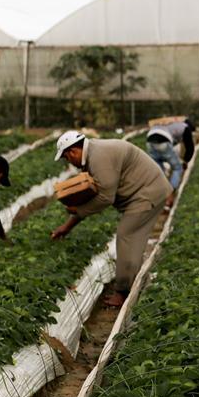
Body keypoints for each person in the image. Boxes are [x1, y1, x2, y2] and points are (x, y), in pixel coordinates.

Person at [50, 130, 172, 307]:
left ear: (73, 152)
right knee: (132, 239)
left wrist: (78, 208)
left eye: (67, 158)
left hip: (147, 193)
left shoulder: (99, 158)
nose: (69, 163)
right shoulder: (92, 154)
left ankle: (122, 293)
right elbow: (91, 195)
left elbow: (106, 198)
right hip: (143, 193)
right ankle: (133, 282)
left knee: (126, 235)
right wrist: (67, 226)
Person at [146, 118, 196, 207]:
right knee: (178, 168)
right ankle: (170, 195)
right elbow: (190, 147)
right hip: (163, 140)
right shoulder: (186, 128)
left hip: (149, 141)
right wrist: (185, 161)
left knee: (159, 172)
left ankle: (159, 198)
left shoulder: (173, 125)